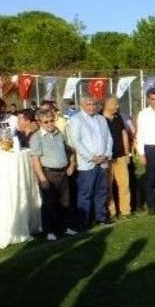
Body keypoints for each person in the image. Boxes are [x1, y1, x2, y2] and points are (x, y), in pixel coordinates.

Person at [29, 109, 78, 240]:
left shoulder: (59, 134)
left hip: (63, 173)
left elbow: (70, 150)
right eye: (46, 122)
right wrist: (42, 179)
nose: (50, 124)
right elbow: (35, 160)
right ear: (40, 123)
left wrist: (72, 164)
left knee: (66, 202)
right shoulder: (36, 137)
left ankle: (68, 227)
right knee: (49, 204)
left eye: (52, 121)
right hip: (48, 173)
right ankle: (49, 231)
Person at [69, 96, 114, 229]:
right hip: (87, 164)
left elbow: (109, 138)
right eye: (88, 104)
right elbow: (76, 141)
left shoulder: (101, 119)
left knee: (101, 191)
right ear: (81, 105)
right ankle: (84, 221)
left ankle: (100, 216)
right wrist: (91, 157)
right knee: (86, 194)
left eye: (94, 104)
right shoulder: (76, 119)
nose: (91, 107)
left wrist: (107, 154)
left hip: (103, 161)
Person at [102, 97, 132, 219]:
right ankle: (111, 211)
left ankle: (126, 211)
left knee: (124, 184)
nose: (117, 106)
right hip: (107, 158)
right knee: (108, 186)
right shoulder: (100, 119)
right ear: (108, 105)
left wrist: (127, 153)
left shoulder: (118, 117)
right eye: (115, 104)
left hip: (120, 156)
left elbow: (124, 134)